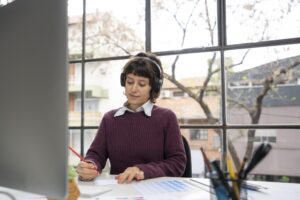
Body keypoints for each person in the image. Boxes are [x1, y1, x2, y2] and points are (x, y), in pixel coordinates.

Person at [76, 52, 187, 184]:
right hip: (119, 190)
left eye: (141, 84)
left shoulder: (166, 117)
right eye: (130, 82)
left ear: (153, 87)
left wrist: (142, 170)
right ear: (124, 82)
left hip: (155, 192)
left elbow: (177, 163)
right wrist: (89, 166)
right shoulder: (110, 119)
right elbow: (96, 155)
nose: (133, 89)